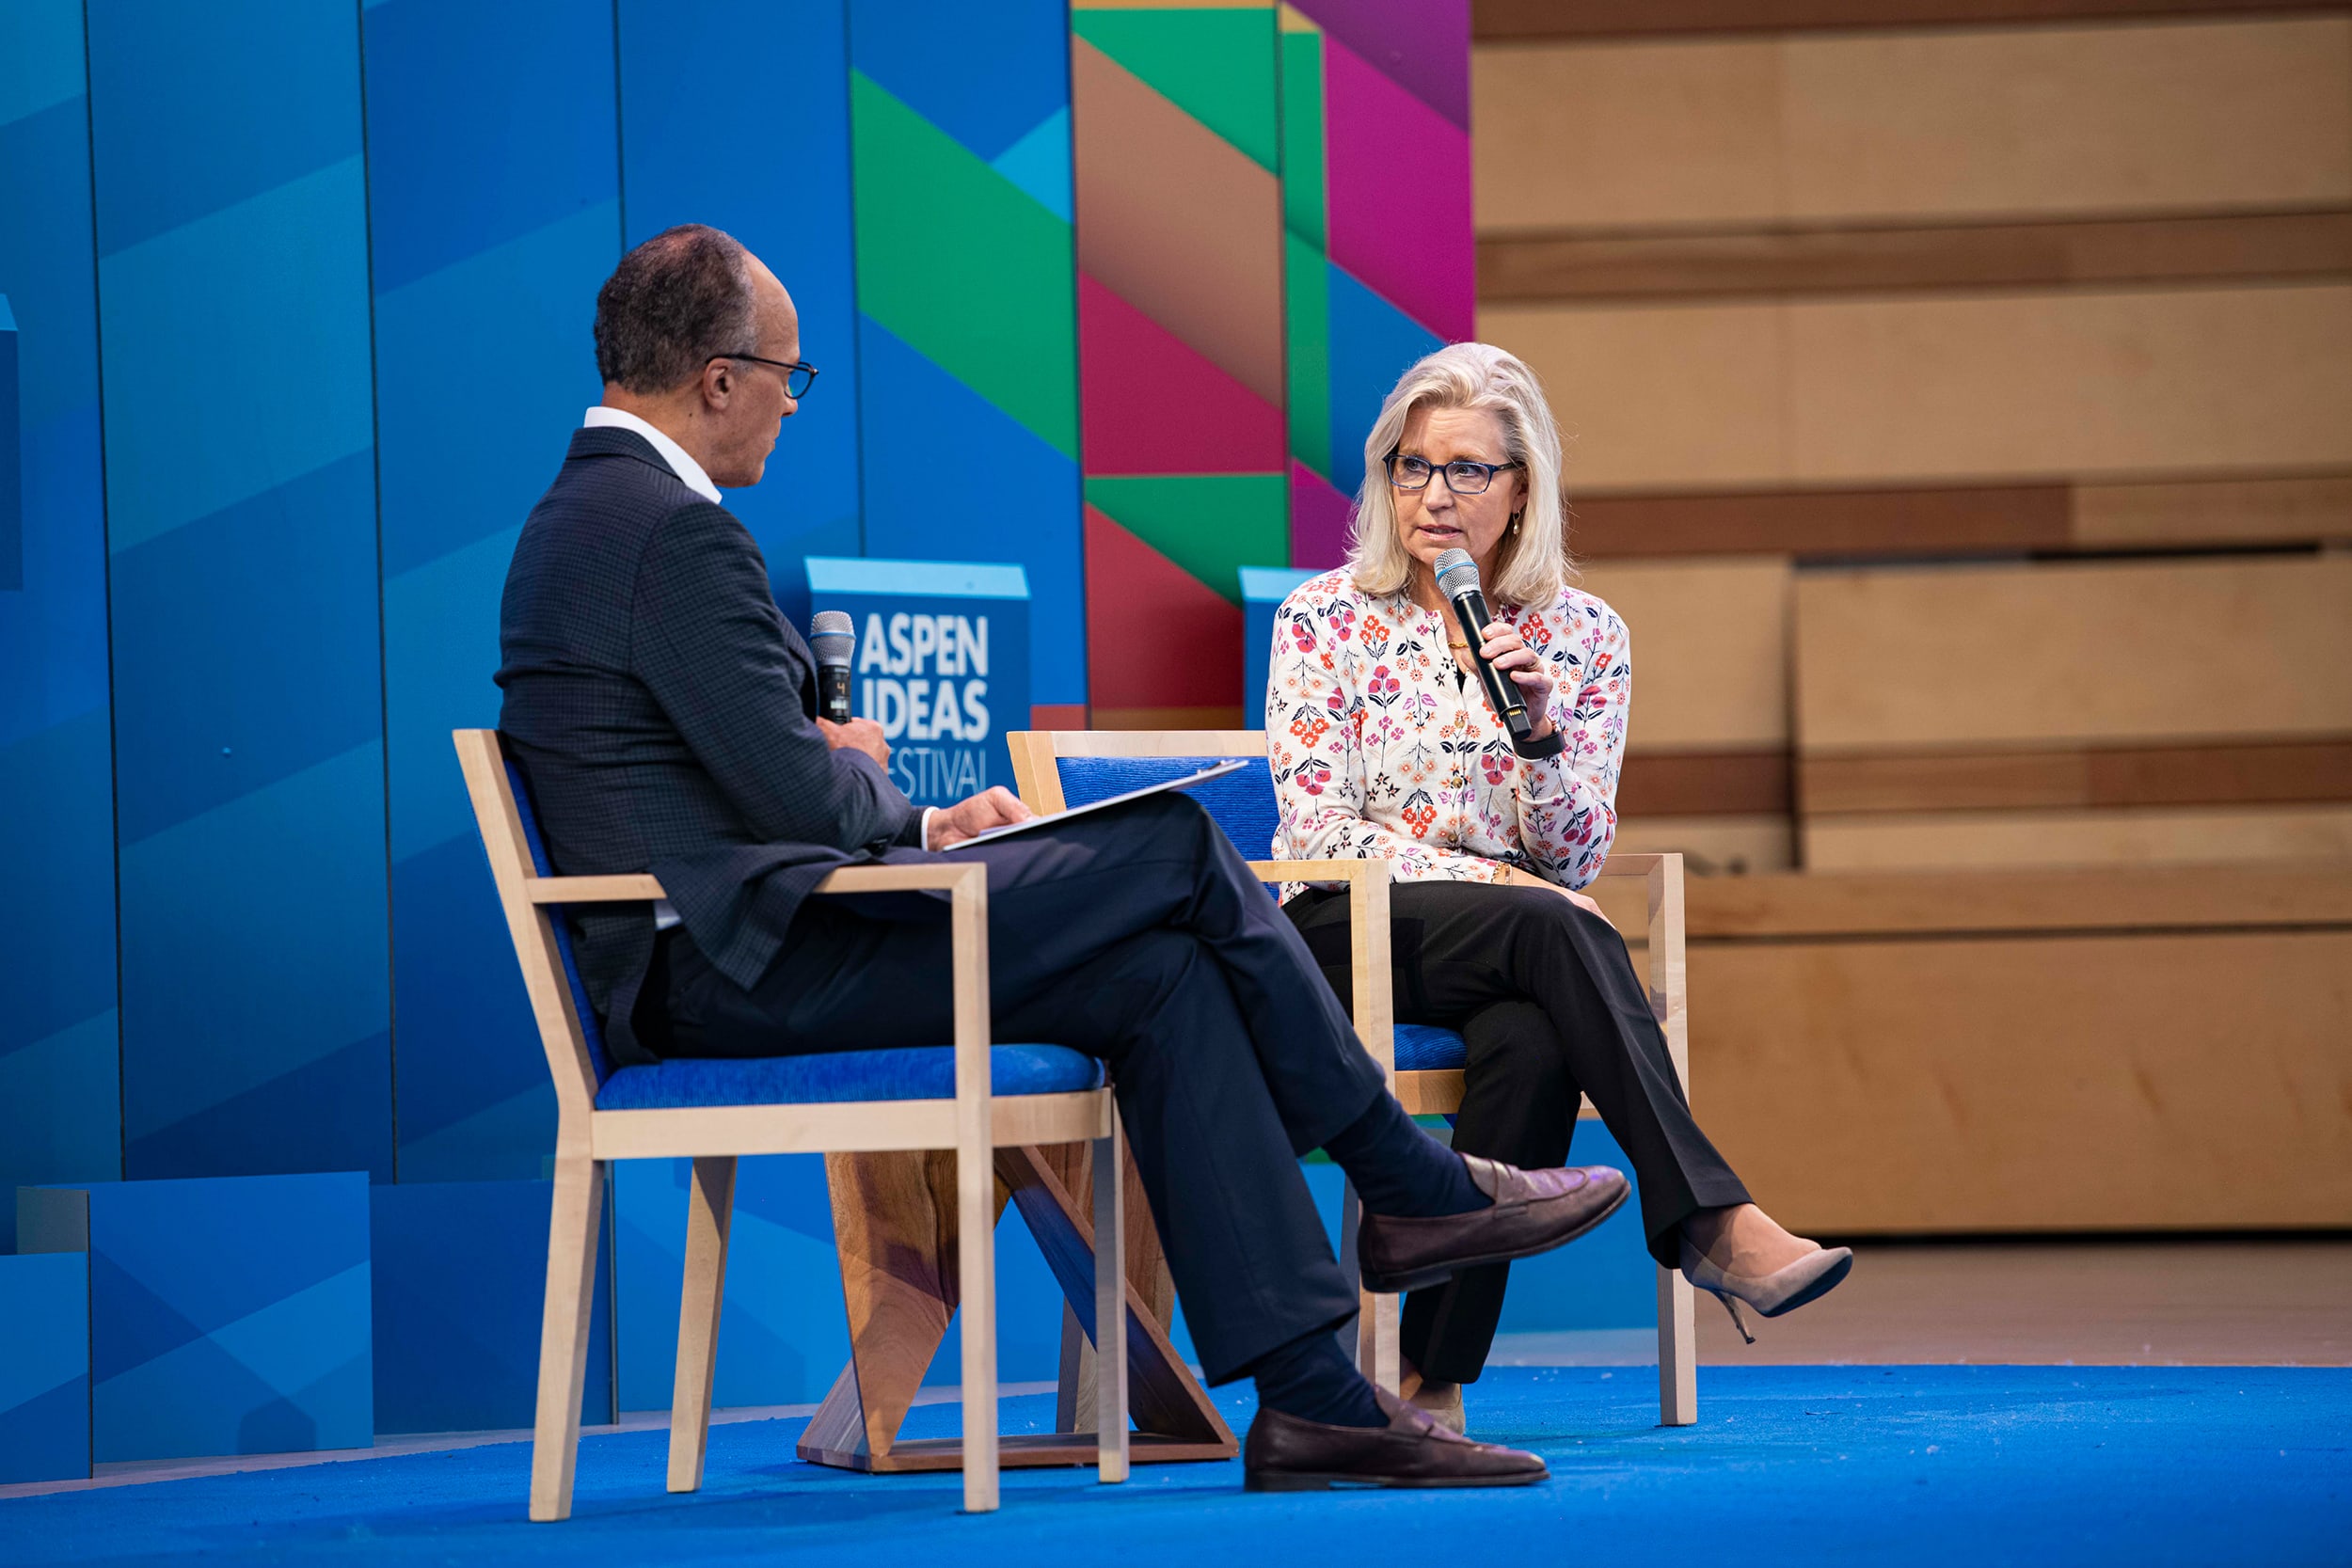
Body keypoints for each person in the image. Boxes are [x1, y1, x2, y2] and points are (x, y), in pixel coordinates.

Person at [497, 226, 1630, 1491]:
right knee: (1176, 841)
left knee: (1157, 972)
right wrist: (872, 776)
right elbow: (796, 785)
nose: (787, 404)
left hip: (730, 942)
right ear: (717, 377)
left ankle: (1314, 1398)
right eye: (787, 376)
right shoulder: (664, 528)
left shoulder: (592, 515)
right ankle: (1404, 1176)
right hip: (728, 964)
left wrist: (917, 819)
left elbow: (747, 774)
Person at [1267, 342, 1851, 1435]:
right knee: (1547, 925)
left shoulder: (1584, 635)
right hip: (1345, 927)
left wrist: (1540, 740)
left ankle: (1429, 1376)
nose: (1433, 495)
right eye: (1411, 465)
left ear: (1522, 485)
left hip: (1508, 945)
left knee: (1534, 1036)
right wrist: (1512, 886)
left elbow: (1575, 855)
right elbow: (1320, 829)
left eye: (1467, 470)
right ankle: (1713, 1220)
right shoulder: (1324, 618)